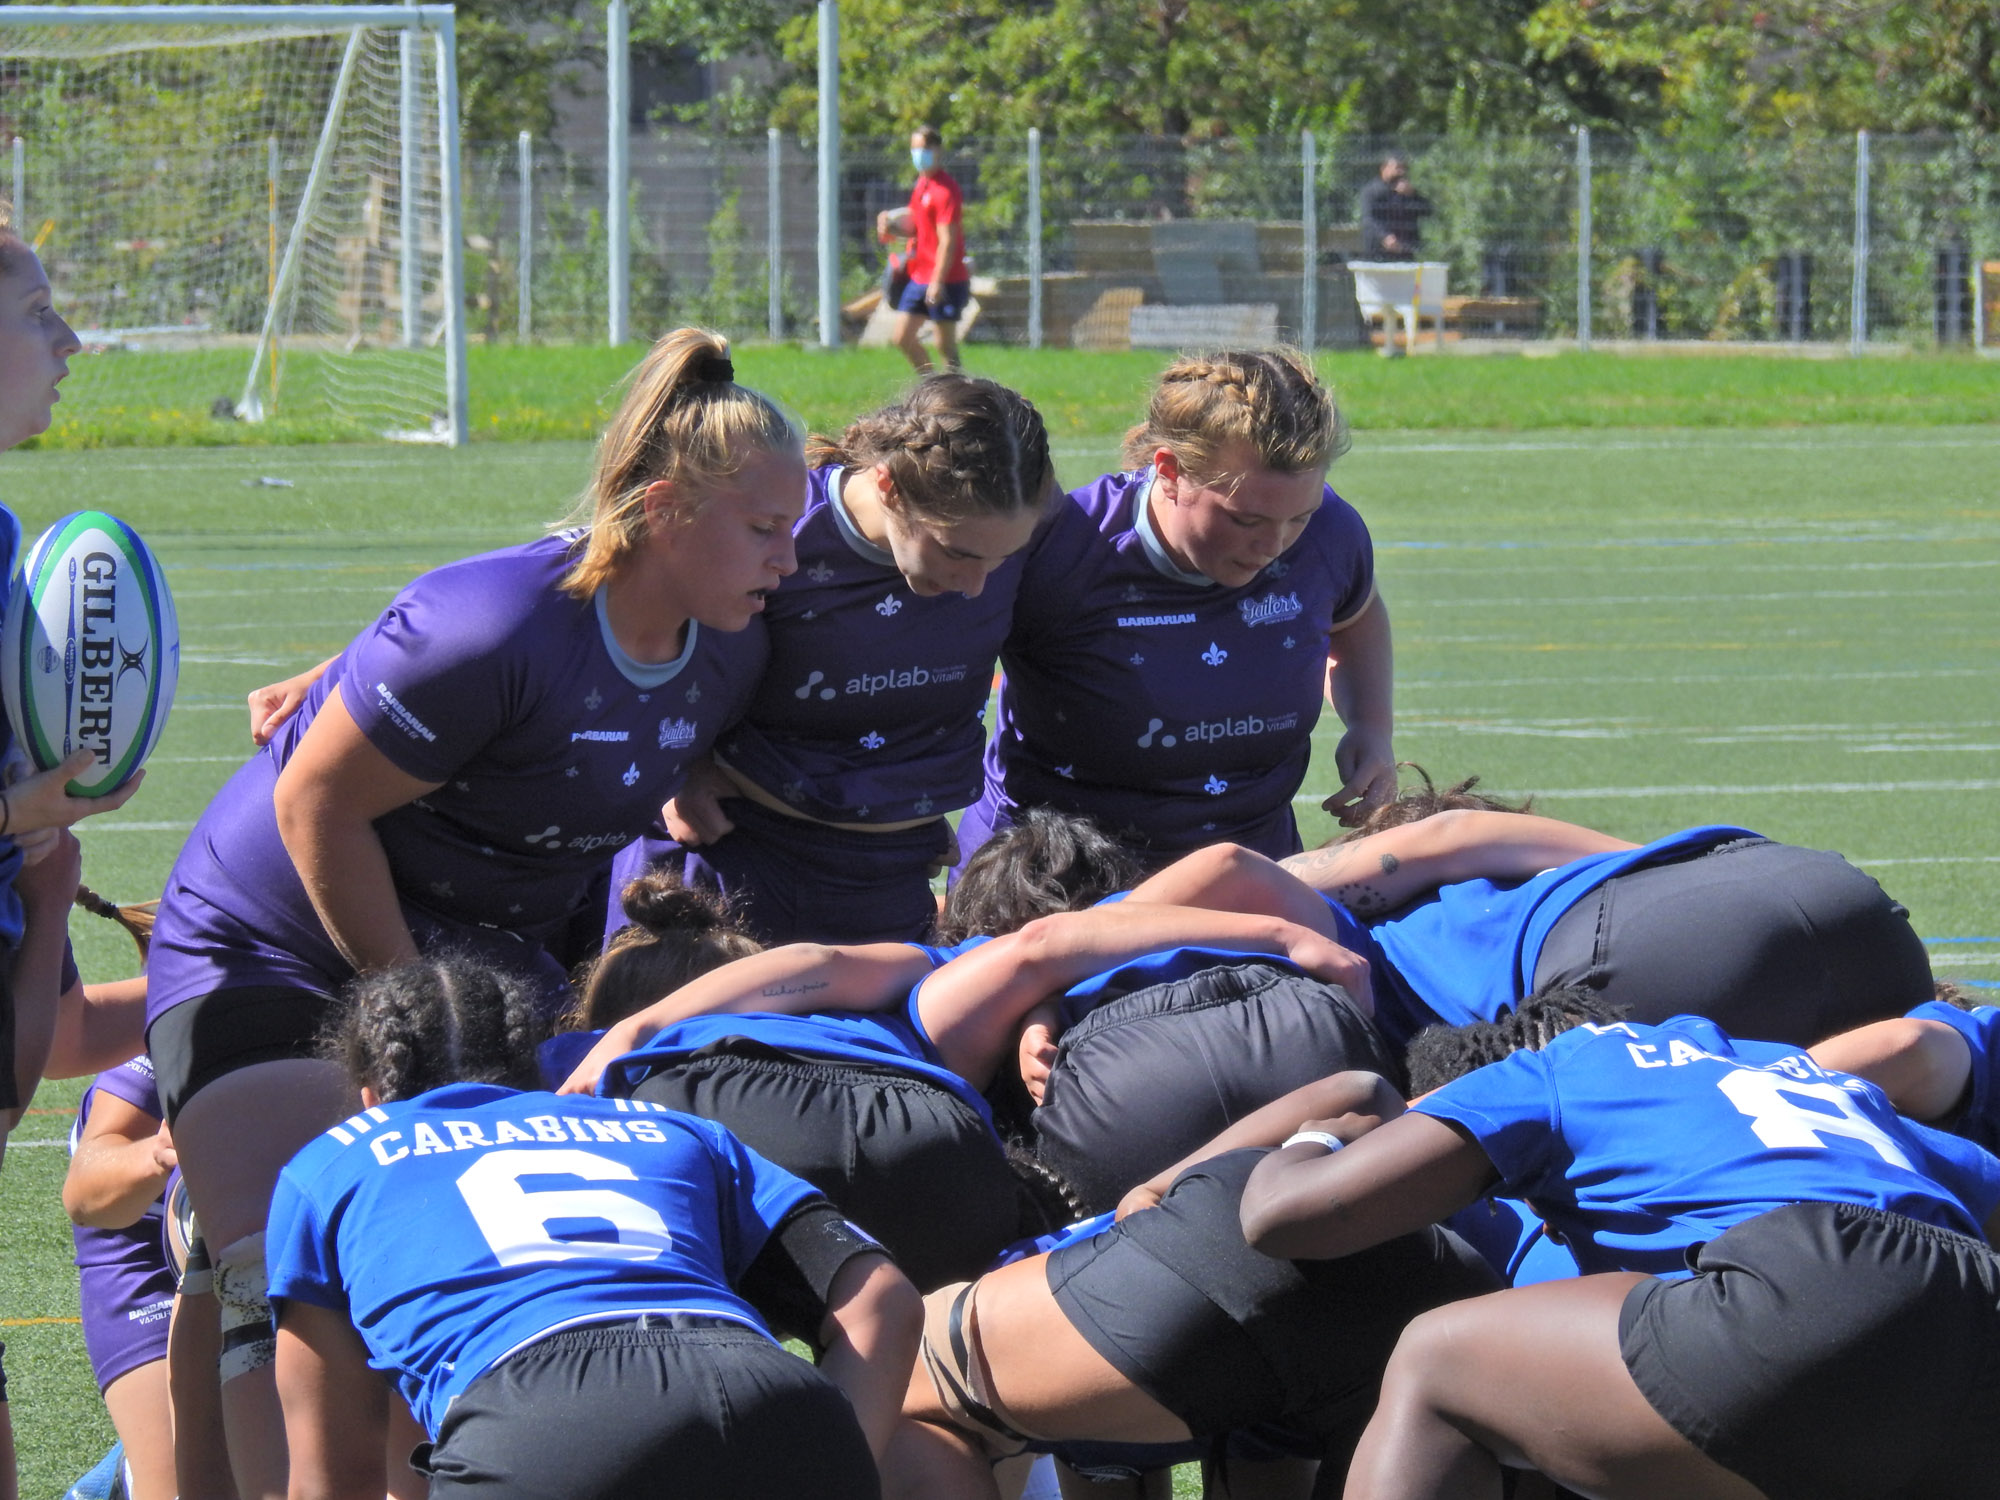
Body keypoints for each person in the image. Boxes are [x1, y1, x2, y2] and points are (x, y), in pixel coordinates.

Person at [142, 327, 805, 1500]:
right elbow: (313, 805)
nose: (791, 559)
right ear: (659, 508)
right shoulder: (496, 624)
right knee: (266, 1274)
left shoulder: (729, 649)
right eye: (763, 529)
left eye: (794, 527)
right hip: (275, 934)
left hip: (481, 965)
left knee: (447, 1262)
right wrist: (420, 1024)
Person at [1237, 992, 2000, 1500]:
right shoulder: (1819, 1081)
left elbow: (1290, 1218)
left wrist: (1315, 1137)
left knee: (1439, 1358)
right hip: (1972, 1324)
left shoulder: (1569, 1063)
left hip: (1802, 1283)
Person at [268, 954, 921, 1500]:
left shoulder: (334, 1161)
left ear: (370, 1099)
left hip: (540, 1418)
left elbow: (334, 1478)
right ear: (535, 1068)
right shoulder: (669, 1128)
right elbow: (883, 1300)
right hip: (771, 1396)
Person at [564, 898, 1362, 1289]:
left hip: (765, 1130)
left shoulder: (902, 1005)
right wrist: (1283, 934)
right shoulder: (908, 1002)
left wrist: (632, 1036)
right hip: (936, 1160)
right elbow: (1038, 947)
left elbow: (1035, 950)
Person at [887, 1079, 1497, 1500]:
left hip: (1218, 1268)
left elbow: (1360, 1091)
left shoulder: (1031, 1267)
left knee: (901, 1385)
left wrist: (1159, 1187)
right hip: (1408, 1340)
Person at [611, 374, 1057, 944]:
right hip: (729, 864)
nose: (976, 586)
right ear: (889, 487)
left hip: (891, 881)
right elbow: (644, 650)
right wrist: (678, 768)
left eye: (1002, 559)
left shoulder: (1016, 523)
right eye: (955, 553)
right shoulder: (779, 533)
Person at [956, 349, 1396, 876]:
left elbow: (1356, 614)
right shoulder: (1066, 549)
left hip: (1245, 870)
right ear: (1168, 470)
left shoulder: (1331, 532)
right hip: (1058, 881)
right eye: (1243, 519)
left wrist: (1371, 727)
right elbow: (943, 658)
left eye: (1297, 517)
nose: (1275, 544)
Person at [1141, 788, 1932, 1052]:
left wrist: (1040, 959)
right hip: (1828, 890)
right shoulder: (1528, 871)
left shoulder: (1375, 926)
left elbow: (1229, 874)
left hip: (1648, 945)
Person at [61, 1055, 178, 1500]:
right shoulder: (183, 1014)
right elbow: (86, 1194)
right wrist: (158, 1154)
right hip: (144, 1258)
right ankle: (133, 1473)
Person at [892, 127, 970, 374]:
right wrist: (891, 225)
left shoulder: (945, 190)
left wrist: (937, 281)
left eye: (924, 148)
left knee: (944, 345)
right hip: (920, 276)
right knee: (902, 337)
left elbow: (948, 240)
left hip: (945, 278)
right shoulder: (921, 185)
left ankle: (958, 398)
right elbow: (917, 227)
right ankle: (931, 387)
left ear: (937, 150)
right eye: (914, 148)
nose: (918, 154)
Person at [1356, 158, 1432, 262]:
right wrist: (1384, 237)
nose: (1401, 172)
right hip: (1378, 252)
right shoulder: (1372, 191)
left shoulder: (1406, 193)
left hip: (1405, 252)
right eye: (1397, 168)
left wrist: (1413, 194)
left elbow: (1428, 211)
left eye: (1403, 168)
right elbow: (1368, 219)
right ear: (1384, 168)